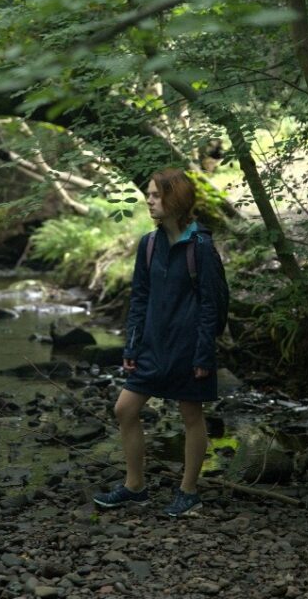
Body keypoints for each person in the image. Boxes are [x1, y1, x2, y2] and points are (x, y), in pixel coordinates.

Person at [93, 167, 223, 517]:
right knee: (124, 409)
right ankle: (135, 487)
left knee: (191, 414)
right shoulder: (148, 245)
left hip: (188, 347)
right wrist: (132, 346)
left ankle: (189, 491)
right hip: (152, 346)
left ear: (175, 199)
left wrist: (202, 353)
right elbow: (139, 297)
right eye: (148, 194)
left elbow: (212, 304)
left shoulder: (202, 247)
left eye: (155, 195)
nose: (148, 200)